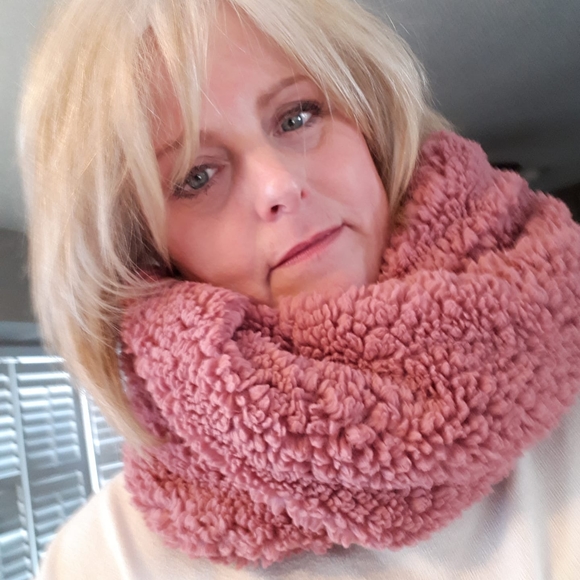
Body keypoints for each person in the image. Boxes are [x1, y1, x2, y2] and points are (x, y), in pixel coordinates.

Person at [18, 0, 580, 578]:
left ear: (369, 122)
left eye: (297, 117)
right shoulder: (108, 559)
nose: (279, 185)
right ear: (147, 256)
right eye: (196, 176)